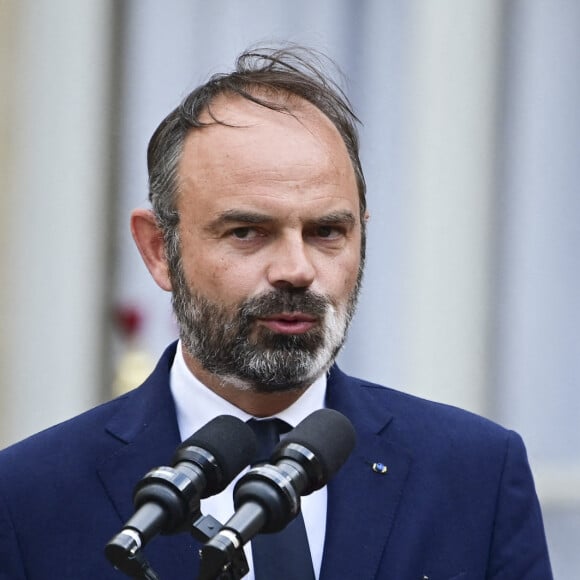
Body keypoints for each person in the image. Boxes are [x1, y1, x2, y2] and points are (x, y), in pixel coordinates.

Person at [0, 45, 552, 579]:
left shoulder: (474, 473)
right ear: (158, 250)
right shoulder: (29, 495)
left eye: (327, 231)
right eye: (247, 232)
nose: (297, 269)